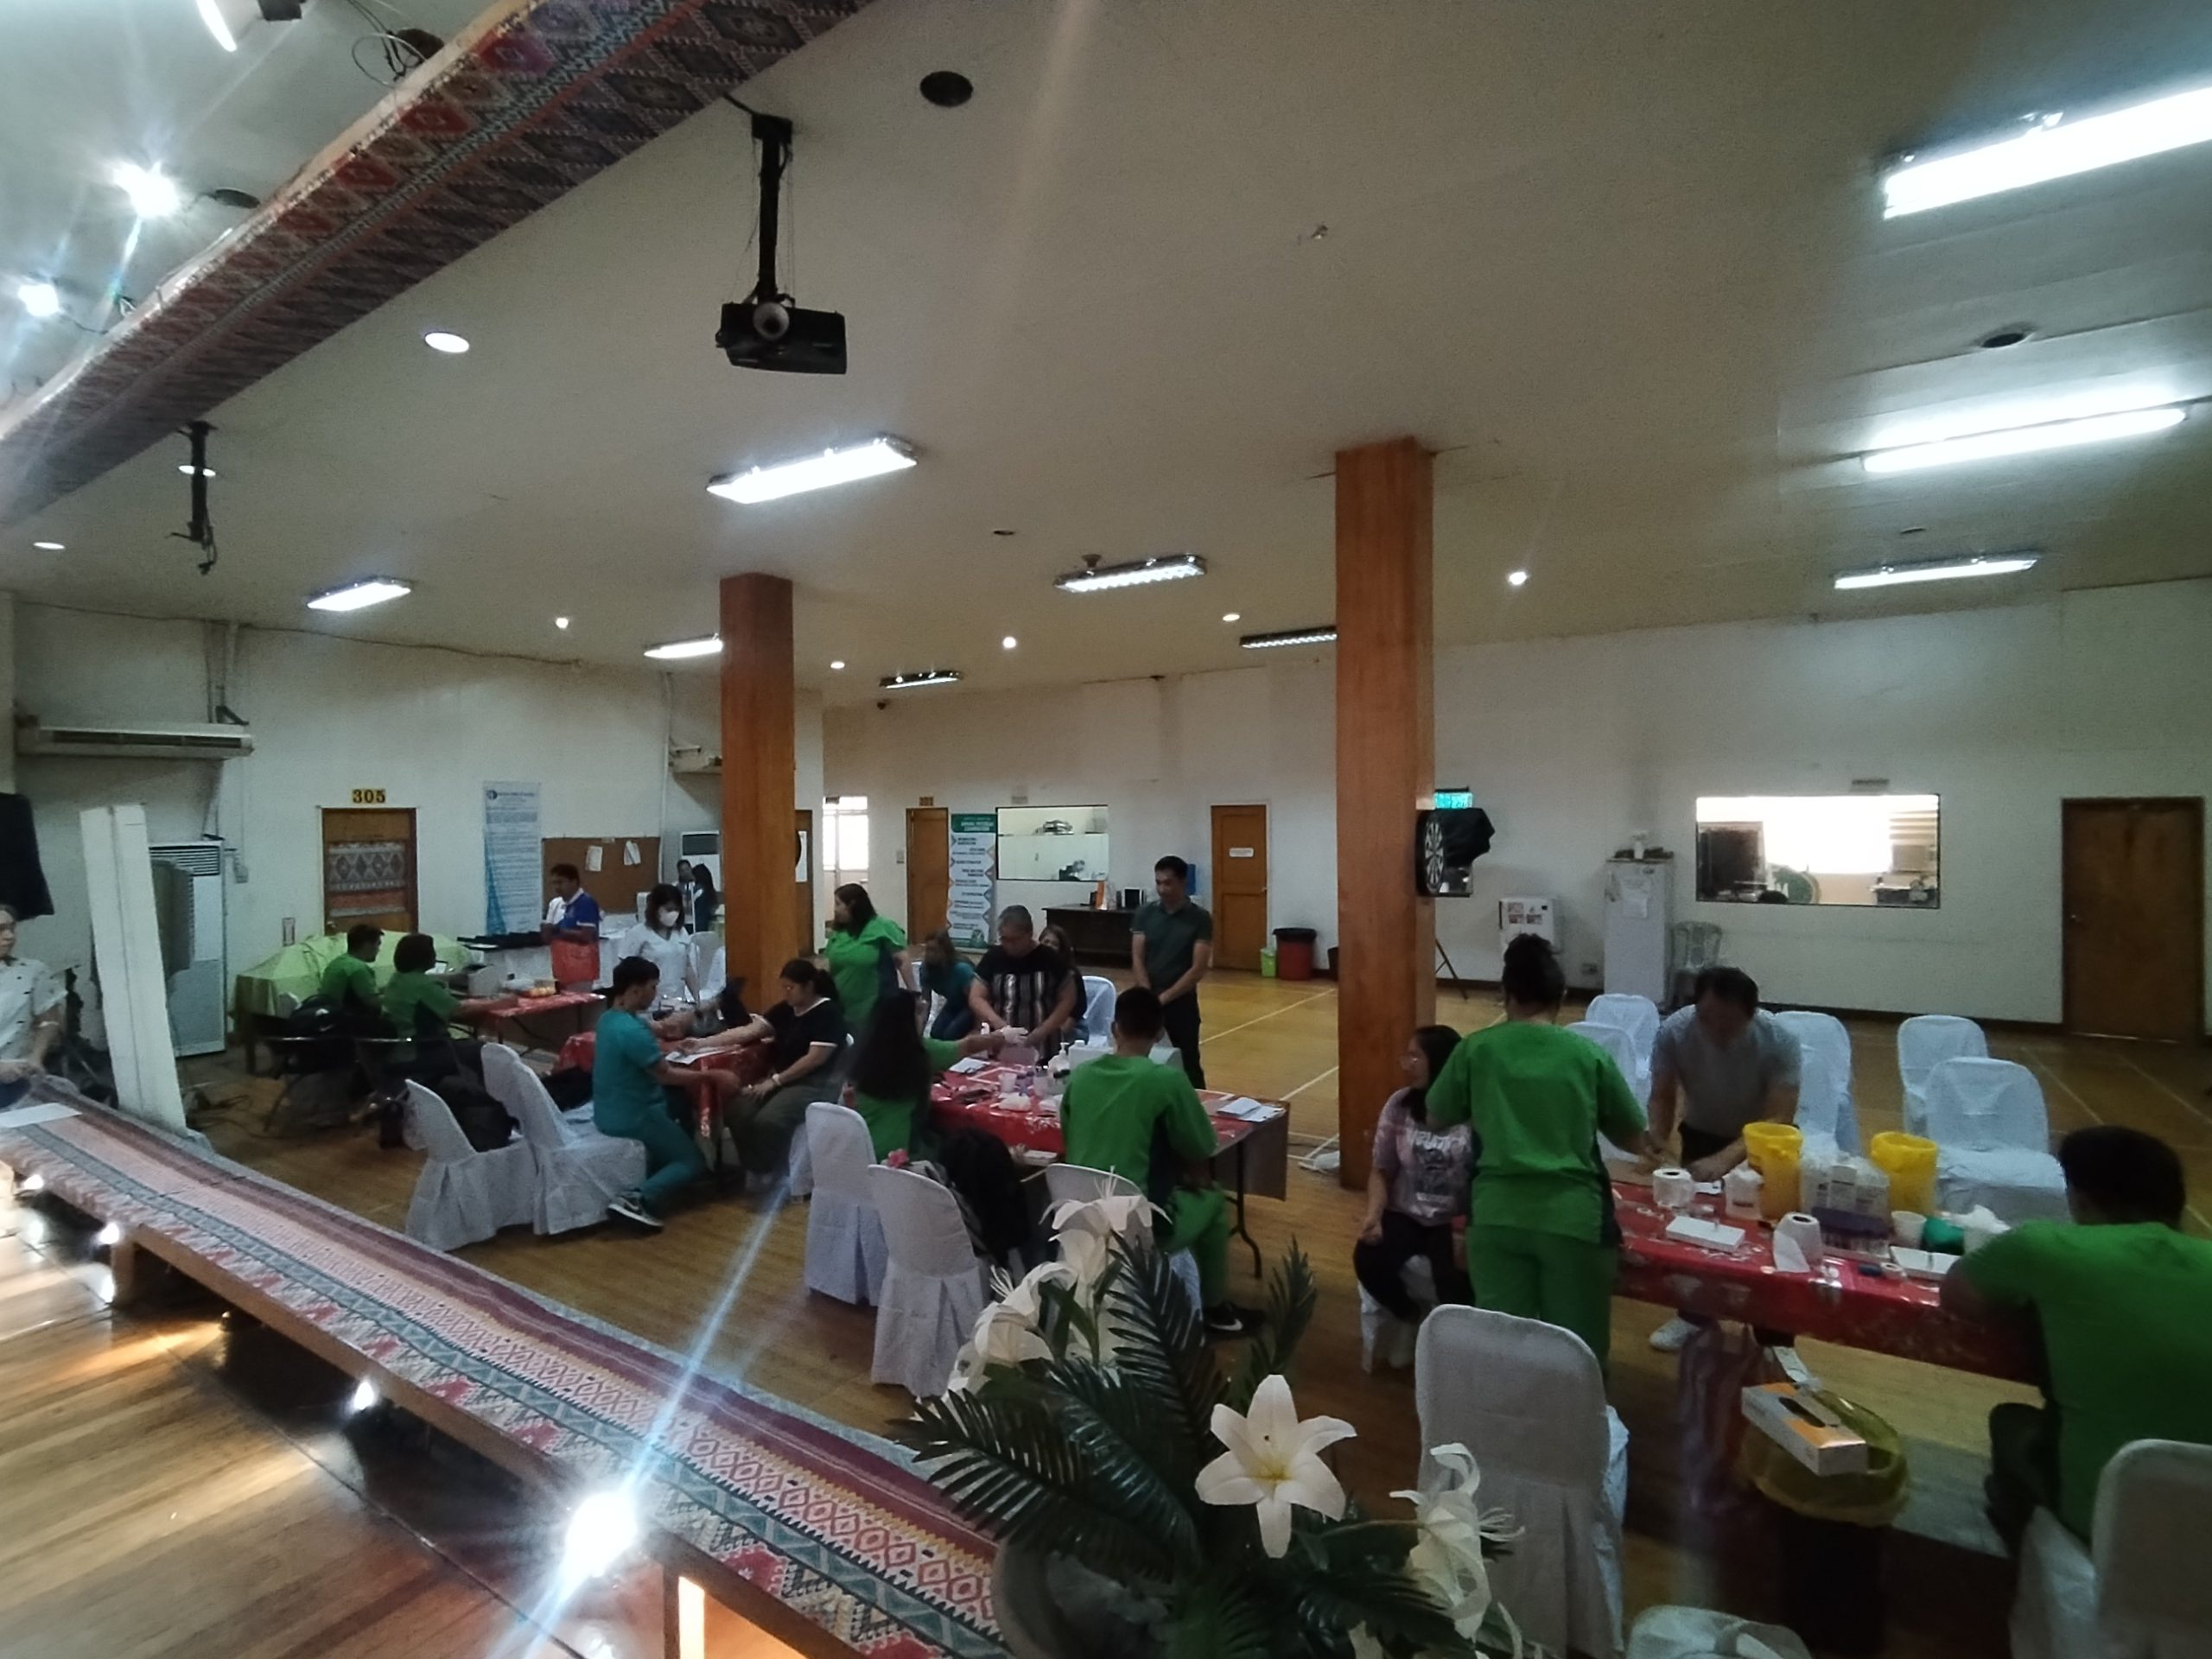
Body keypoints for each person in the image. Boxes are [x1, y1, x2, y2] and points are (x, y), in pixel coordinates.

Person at [1943, 1126, 2212, 1547]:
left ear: (2081, 1199)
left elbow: (1958, 1296)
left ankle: (2034, 1548)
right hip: (2200, 1528)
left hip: (2105, 1520)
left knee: (2011, 1423)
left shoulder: (2046, 1247)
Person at [1425, 934, 1650, 1370]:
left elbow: (1436, 1116)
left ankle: (1511, 1415)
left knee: (1504, 1352)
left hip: (1496, 1215)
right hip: (1574, 1220)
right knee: (1578, 1356)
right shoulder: (1588, 1055)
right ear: (1561, 997)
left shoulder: (1475, 1049)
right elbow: (1632, 1137)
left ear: (1505, 994)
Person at [1059, 985, 1252, 1337]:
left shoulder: (1081, 1076)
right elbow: (1201, 1146)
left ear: (1115, 1029)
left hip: (1080, 1214)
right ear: (1160, 1033)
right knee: (1213, 1200)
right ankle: (1214, 1308)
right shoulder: (1167, 1080)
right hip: (1139, 1223)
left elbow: (1069, 1138)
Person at [1643, 963, 1801, 1352]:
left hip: (1763, 1144)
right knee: (1696, 1228)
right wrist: (1658, 1141)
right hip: (1701, 1132)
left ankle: (1776, 1340)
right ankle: (1693, 1315)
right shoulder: (1674, 1031)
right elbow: (1662, 1094)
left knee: (1764, 1239)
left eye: (1728, 1023)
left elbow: (1779, 1116)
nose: (1715, 1031)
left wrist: (1725, 1159)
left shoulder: (1779, 1040)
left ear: (1751, 1014)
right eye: (1706, 1018)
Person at [1354, 1025, 1475, 1319]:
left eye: (1415, 1057)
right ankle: (1412, 1317)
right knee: (1368, 1260)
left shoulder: (1473, 1110)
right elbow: (1381, 1169)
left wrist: (1470, 1230)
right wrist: (1373, 1215)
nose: (1407, 1065)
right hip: (1406, 1213)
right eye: (1406, 1057)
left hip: (1452, 1219)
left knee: (1456, 1286)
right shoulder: (1399, 1105)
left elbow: (1484, 1178)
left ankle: (1450, 1335)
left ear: (1441, 1061)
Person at [687, 959, 848, 1178]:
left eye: (791, 988)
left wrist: (775, 1081)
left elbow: (814, 1059)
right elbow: (748, 1031)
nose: (786, 993)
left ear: (809, 986)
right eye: (784, 988)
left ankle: (771, 1170)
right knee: (737, 1111)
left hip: (814, 1082)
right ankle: (757, 1167)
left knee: (769, 1120)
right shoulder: (786, 1010)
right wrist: (701, 1043)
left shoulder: (828, 1013)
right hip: (783, 1079)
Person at [594, 956, 709, 1230]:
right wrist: (712, 1076)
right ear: (636, 990)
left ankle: (661, 1176)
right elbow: (665, 1075)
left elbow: (645, 1035)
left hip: (607, 1109)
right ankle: (637, 1197)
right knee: (693, 1161)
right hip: (634, 1114)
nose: (655, 993)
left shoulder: (608, 1020)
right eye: (653, 987)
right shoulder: (632, 1032)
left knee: (678, 1105)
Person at [844, 989, 1003, 1160]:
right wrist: (1003, 1035)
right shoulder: (919, 1051)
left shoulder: (865, 1050)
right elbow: (968, 1046)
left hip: (860, 1149)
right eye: (918, 1013)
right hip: (900, 1156)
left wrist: (923, 1075)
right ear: (907, 1021)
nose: (923, 1018)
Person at [1131, 855, 1212, 1086]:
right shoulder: (1145, 913)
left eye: (1168, 883)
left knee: (1188, 1061)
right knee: (1141, 1058)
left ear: (1183, 882)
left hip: (1181, 1003)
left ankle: (1196, 1102)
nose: (1162, 889)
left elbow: (1197, 969)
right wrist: (1148, 996)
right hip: (1148, 1000)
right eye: (1158, 883)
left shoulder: (1200, 918)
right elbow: (1137, 957)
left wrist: (1164, 998)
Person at [380, 932, 499, 1076]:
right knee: (483, 1050)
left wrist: (451, 977)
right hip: (422, 1050)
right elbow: (459, 1010)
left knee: (469, 1043)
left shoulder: (397, 979)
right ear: (425, 956)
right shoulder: (424, 986)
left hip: (398, 1049)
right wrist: (497, 1003)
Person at [969, 906, 1079, 1058]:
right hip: (1001, 1041)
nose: (1009, 945)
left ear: (1029, 934)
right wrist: (1000, 1025)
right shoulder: (993, 957)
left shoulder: (1050, 959)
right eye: (1004, 939)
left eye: (1015, 940)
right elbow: (976, 997)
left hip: (1044, 1042)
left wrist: (1043, 1030)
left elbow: (1068, 999)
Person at [823, 885, 907, 1039]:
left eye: (838, 904)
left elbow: (902, 960)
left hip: (875, 1004)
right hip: (844, 1004)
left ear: (852, 904)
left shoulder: (882, 927)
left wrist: (914, 992)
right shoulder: (838, 933)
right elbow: (829, 967)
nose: (835, 909)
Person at [0, 903, 63, 1108]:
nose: (10, 936)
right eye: (1, 930)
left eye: (12, 928)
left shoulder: (32, 971)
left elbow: (49, 1021)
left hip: (16, 1080)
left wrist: (36, 1057)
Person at [618, 883, 698, 1004]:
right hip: (647, 1003)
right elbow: (624, 972)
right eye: (668, 909)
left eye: (676, 910)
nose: (673, 914)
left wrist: (697, 998)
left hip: (677, 999)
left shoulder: (681, 932)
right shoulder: (638, 933)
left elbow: (687, 967)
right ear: (656, 909)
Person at [543, 861, 604, 990]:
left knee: (579, 1000)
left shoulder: (585, 902)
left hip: (581, 968)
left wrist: (558, 930)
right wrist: (547, 931)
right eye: (554, 883)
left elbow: (586, 936)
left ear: (574, 882)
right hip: (562, 967)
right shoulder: (558, 904)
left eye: (560, 882)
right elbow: (549, 937)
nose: (557, 887)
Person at [317, 924, 386, 1029]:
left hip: (329, 1020)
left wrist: (388, 989)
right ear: (367, 945)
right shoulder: (358, 968)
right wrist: (398, 997)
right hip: (348, 1024)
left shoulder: (337, 963)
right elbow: (373, 1002)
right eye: (378, 944)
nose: (378, 950)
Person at [916, 930, 979, 1041]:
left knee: (950, 1035)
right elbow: (926, 1002)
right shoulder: (925, 969)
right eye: (927, 950)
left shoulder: (961, 969)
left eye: (934, 950)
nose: (929, 954)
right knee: (935, 1034)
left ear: (945, 951)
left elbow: (977, 1001)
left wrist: (977, 1029)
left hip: (970, 1005)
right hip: (954, 1003)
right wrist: (918, 1034)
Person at [1040, 923, 1095, 1043]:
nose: (1049, 946)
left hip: (1071, 1026)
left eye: (1054, 944)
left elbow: (1079, 1008)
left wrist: (1059, 1034)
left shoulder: (1071, 973)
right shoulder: (1034, 971)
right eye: (1046, 942)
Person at [682, 860, 718, 934]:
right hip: (705, 924)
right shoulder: (710, 890)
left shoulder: (697, 889)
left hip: (694, 925)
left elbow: (688, 907)